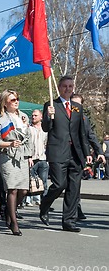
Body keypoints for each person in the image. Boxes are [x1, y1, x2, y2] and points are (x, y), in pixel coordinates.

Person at [39, 76, 92, 232]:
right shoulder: (51, 104)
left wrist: (87, 152)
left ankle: (69, 221)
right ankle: (45, 205)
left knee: (74, 188)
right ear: (59, 88)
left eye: (70, 86)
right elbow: (45, 128)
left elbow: (81, 132)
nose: (67, 89)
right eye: (64, 86)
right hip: (58, 152)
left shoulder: (77, 107)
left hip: (75, 153)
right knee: (60, 184)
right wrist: (49, 116)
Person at [0, 90, 31, 236]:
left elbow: (28, 137)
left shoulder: (23, 117)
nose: (16, 101)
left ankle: (10, 210)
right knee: (12, 189)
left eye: (17, 99)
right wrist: (9, 144)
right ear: (5, 103)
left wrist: (30, 155)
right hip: (7, 156)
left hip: (22, 156)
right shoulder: (1, 119)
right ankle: (14, 223)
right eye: (12, 99)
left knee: (24, 190)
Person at [71, 94, 106, 219]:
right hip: (63, 155)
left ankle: (76, 209)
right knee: (61, 184)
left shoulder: (84, 119)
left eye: (78, 104)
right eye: (72, 103)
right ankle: (46, 205)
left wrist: (99, 152)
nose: (75, 106)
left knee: (75, 184)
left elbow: (91, 136)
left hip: (78, 156)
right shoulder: (62, 116)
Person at [28, 109, 49, 205]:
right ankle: (25, 201)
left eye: (35, 115)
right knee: (30, 181)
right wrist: (28, 157)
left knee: (43, 182)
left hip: (43, 158)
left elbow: (47, 143)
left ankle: (44, 203)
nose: (33, 117)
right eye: (32, 115)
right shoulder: (28, 129)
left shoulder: (45, 130)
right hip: (32, 159)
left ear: (41, 117)